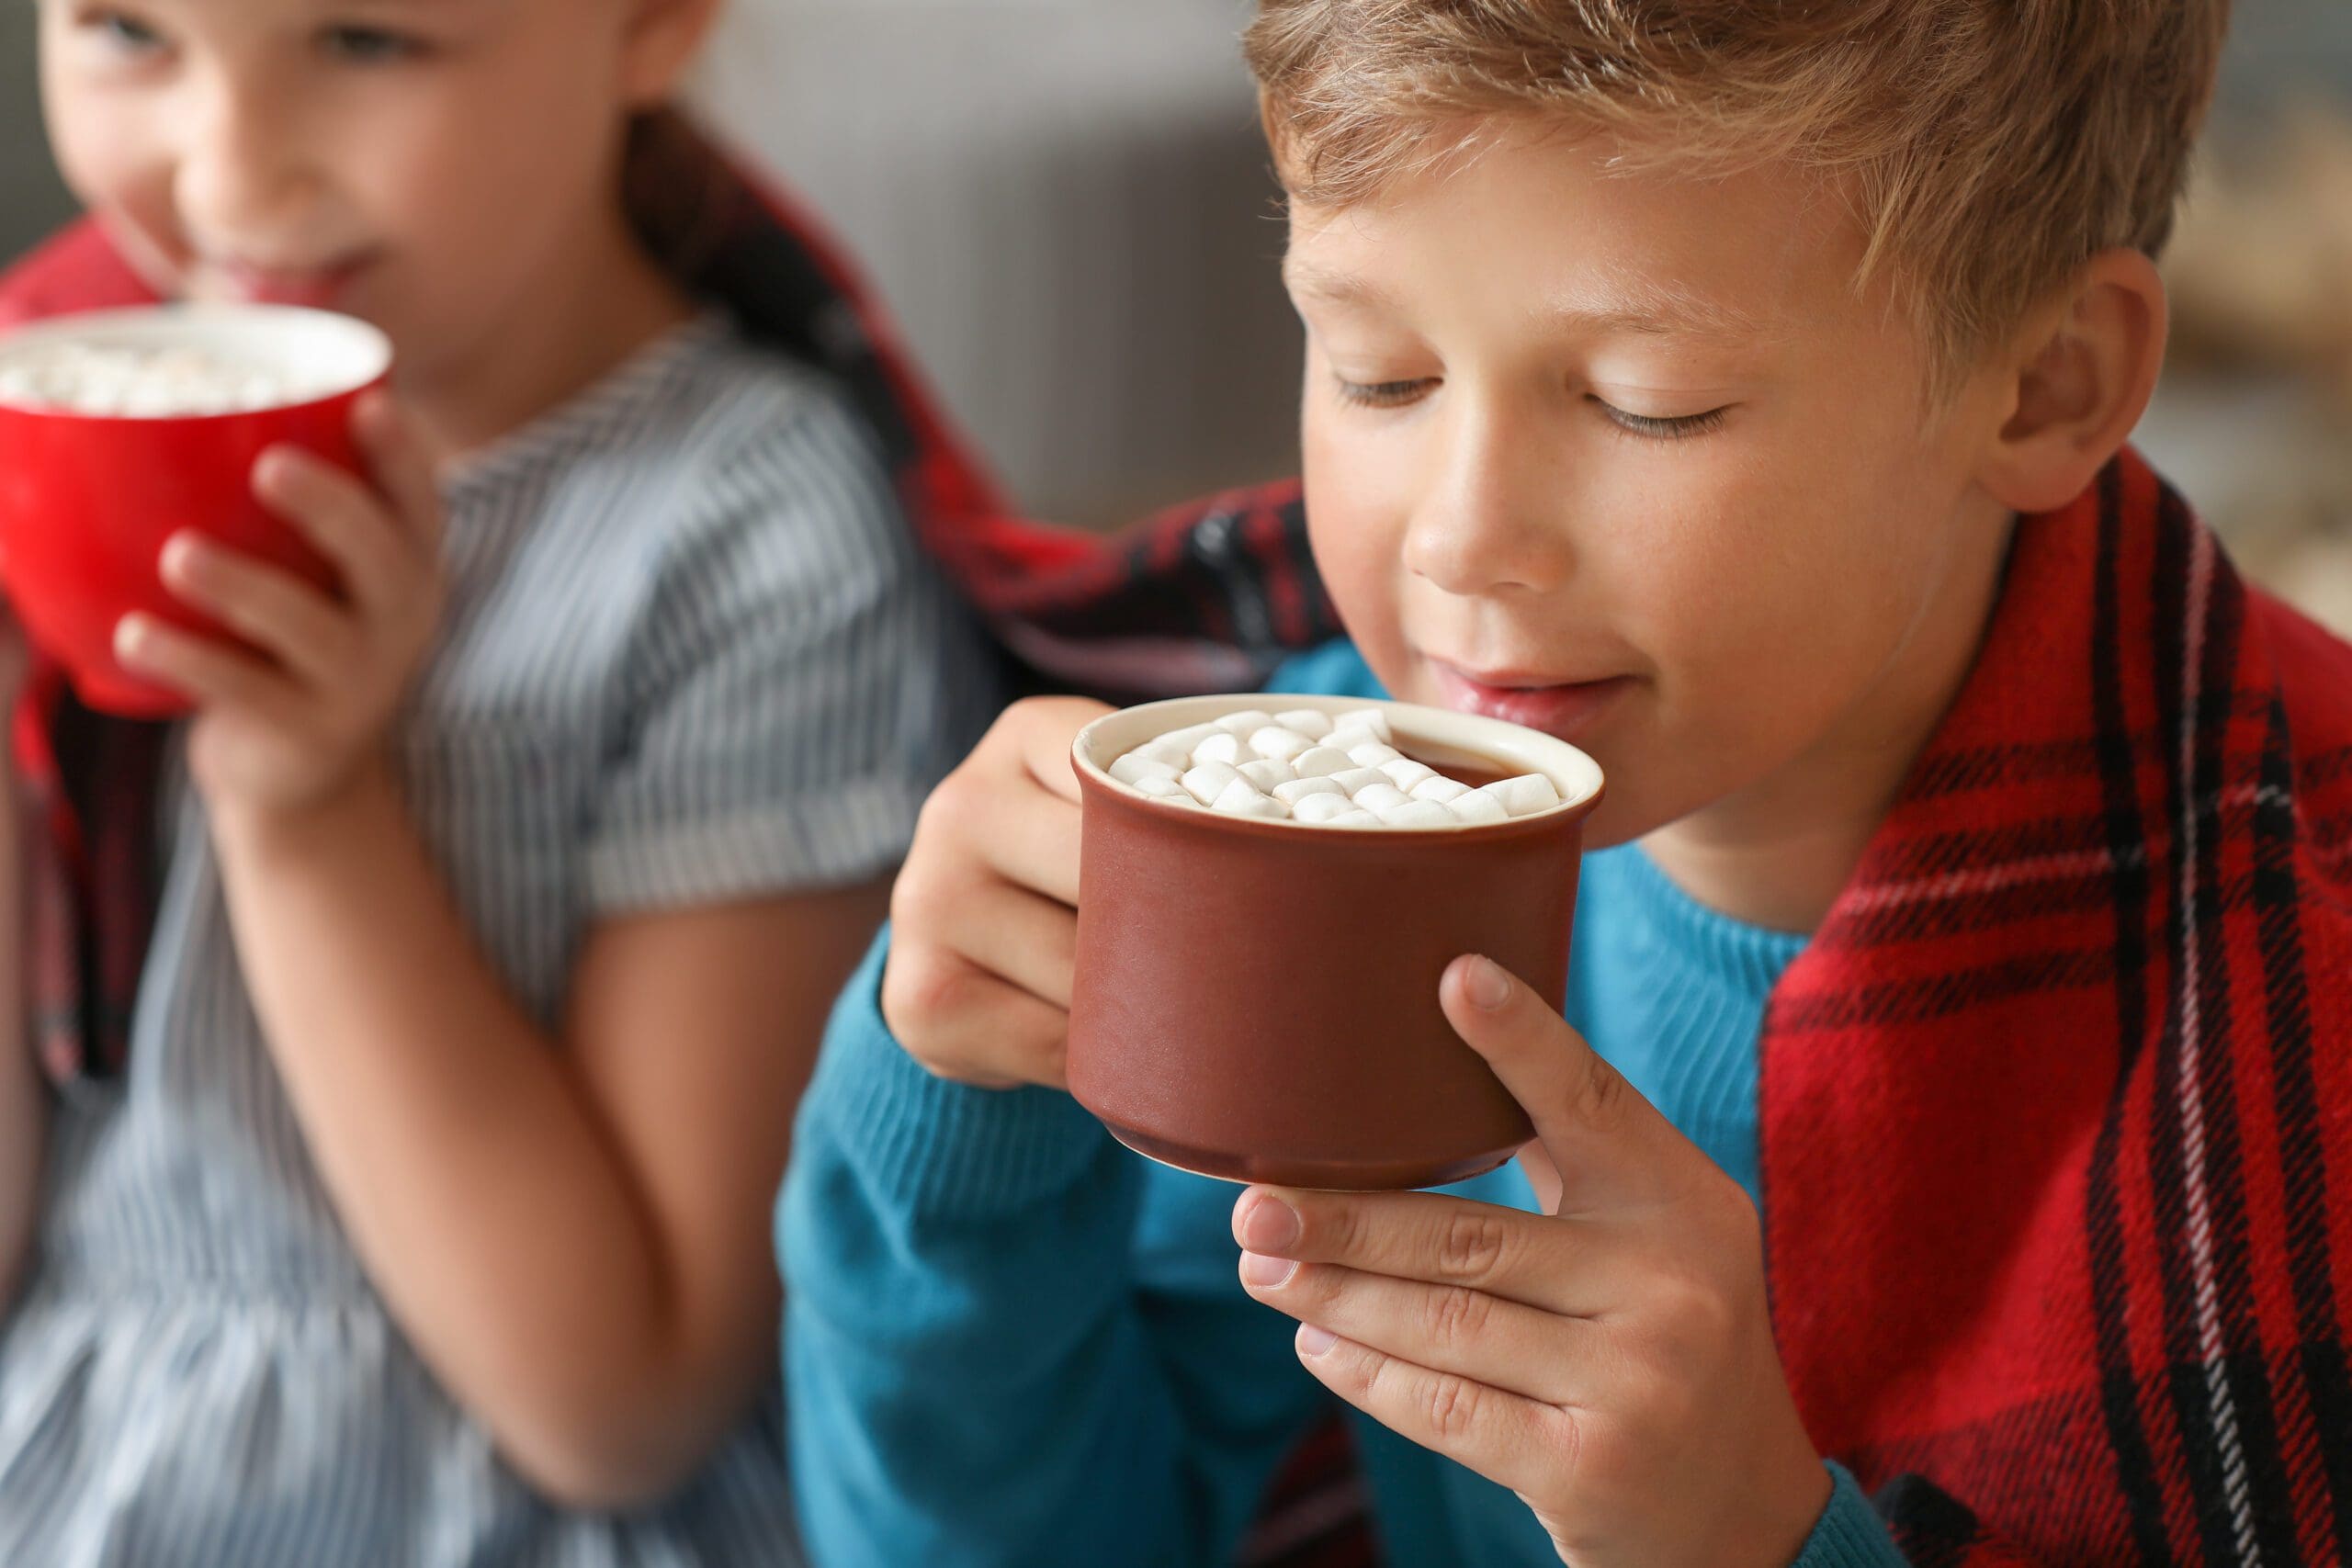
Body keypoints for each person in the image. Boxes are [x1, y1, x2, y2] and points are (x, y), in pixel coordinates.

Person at [780, 1, 2352, 1562]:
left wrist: (1744, 1537)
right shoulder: (1328, 839)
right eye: (1379, 374)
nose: (1463, 538)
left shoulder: (2300, 1005)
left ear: (2048, 387)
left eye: (1643, 402)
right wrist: (954, 1121)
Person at [0, 0, 1002, 1559]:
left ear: (654, 23)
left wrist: (307, 806)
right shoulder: (58, 418)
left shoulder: (745, 535)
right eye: (128, 31)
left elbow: (621, 1400)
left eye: (368, 44)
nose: (228, 176)